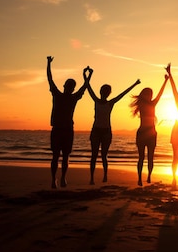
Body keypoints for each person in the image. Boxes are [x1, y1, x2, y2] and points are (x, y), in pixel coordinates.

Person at [86, 71, 140, 185]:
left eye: (107, 92)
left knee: (104, 155)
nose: (105, 93)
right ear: (101, 92)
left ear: (108, 93)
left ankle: (105, 175)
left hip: (106, 132)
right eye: (104, 91)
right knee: (94, 155)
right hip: (96, 131)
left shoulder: (110, 103)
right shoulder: (96, 100)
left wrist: (135, 84)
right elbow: (88, 86)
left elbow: (123, 93)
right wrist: (88, 75)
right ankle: (91, 178)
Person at [46, 56, 91, 189]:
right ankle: (55, 179)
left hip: (65, 129)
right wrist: (48, 64)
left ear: (70, 88)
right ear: (65, 86)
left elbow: (84, 87)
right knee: (58, 156)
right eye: (69, 86)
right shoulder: (58, 94)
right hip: (59, 129)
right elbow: (50, 78)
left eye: (71, 86)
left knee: (63, 156)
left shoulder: (72, 97)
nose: (70, 88)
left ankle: (62, 178)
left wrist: (87, 76)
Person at [130, 74, 169, 186]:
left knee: (151, 157)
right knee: (141, 157)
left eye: (151, 94)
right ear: (144, 95)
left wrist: (165, 81)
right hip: (142, 133)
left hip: (152, 134)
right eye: (148, 94)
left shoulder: (153, 104)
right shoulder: (141, 104)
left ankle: (149, 176)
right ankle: (139, 178)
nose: (150, 96)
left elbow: (160, 94)